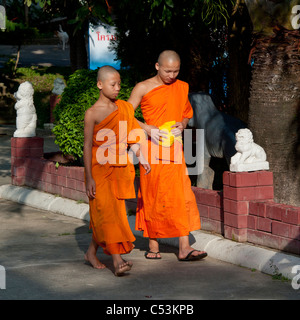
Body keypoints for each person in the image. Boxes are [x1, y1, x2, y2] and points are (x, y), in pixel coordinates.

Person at [128, 50, 207, 261]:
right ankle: (153, 245)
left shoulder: (182, 87)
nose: (172, 75)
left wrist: (182, 125)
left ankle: (184, 247)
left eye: (176, 71)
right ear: (157, 66)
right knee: (154, 195)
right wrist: (146, 128)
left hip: (175, 148)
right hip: (151, 149)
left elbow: (185, 114)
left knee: (182, 194)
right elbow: (124, 114)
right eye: (168, 71)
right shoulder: (142, 87)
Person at [84, 65, 150, 276]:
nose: (117, 88)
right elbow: (86, 146)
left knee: (110, 214)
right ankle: (117, 259)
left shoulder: (122, 107)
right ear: (100, 84)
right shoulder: (92, 113)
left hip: (120, 167)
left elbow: (131, 132)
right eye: (113, 84)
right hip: (99, 170)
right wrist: (88, 178)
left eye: (119, 84)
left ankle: (91, 253)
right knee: (108, 213)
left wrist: (141, 155)